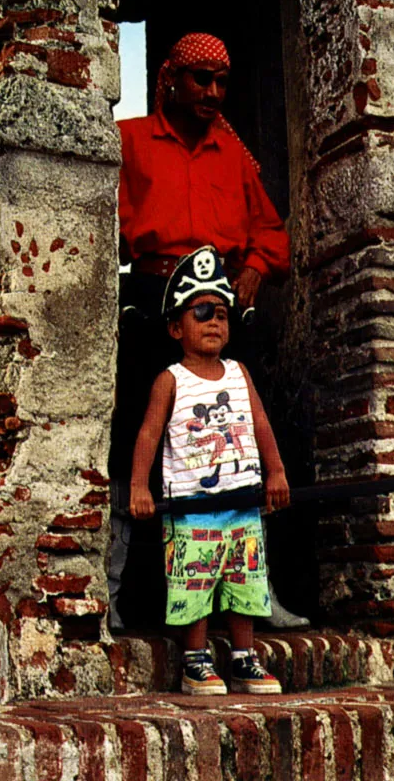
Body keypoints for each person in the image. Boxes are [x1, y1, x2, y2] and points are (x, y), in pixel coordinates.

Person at [108, 31, 309, 631]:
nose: (213, 93)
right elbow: (100, 223)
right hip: (151, 306)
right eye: (201, 79)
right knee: (131, 445)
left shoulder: (234, 155)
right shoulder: (130, 141)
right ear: (168, 77)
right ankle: (113, 593)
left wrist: (252, 269)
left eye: (222, 82)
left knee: (237, 446)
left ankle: (257, 593)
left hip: (218, 311)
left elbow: (273, 234)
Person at [130, 247, 286, 694]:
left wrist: (275, 473)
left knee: (244, 580)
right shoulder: (171, 379)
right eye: (202, 311)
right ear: (177, 327)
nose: (215, 321)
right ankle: (195, 659)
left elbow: (260, 426)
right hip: (193, 506)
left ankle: (243, 657)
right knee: (194, 584)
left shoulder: (239, 373)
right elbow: (147, 435)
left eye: (222, 312)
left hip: (241, 502)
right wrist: (140, 485)